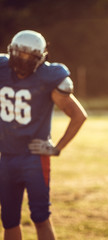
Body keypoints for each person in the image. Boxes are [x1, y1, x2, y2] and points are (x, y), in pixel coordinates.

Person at [0, 30, 87, 240]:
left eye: (29, 56)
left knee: (40, 217)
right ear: (11, 52)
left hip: (34, 158)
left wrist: (57, 147)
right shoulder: (2, 69)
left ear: (40, 59)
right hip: (6, 156)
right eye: (20, 54)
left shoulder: (49, 77)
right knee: (9, 220)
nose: (23, 60)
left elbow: (78, 115)